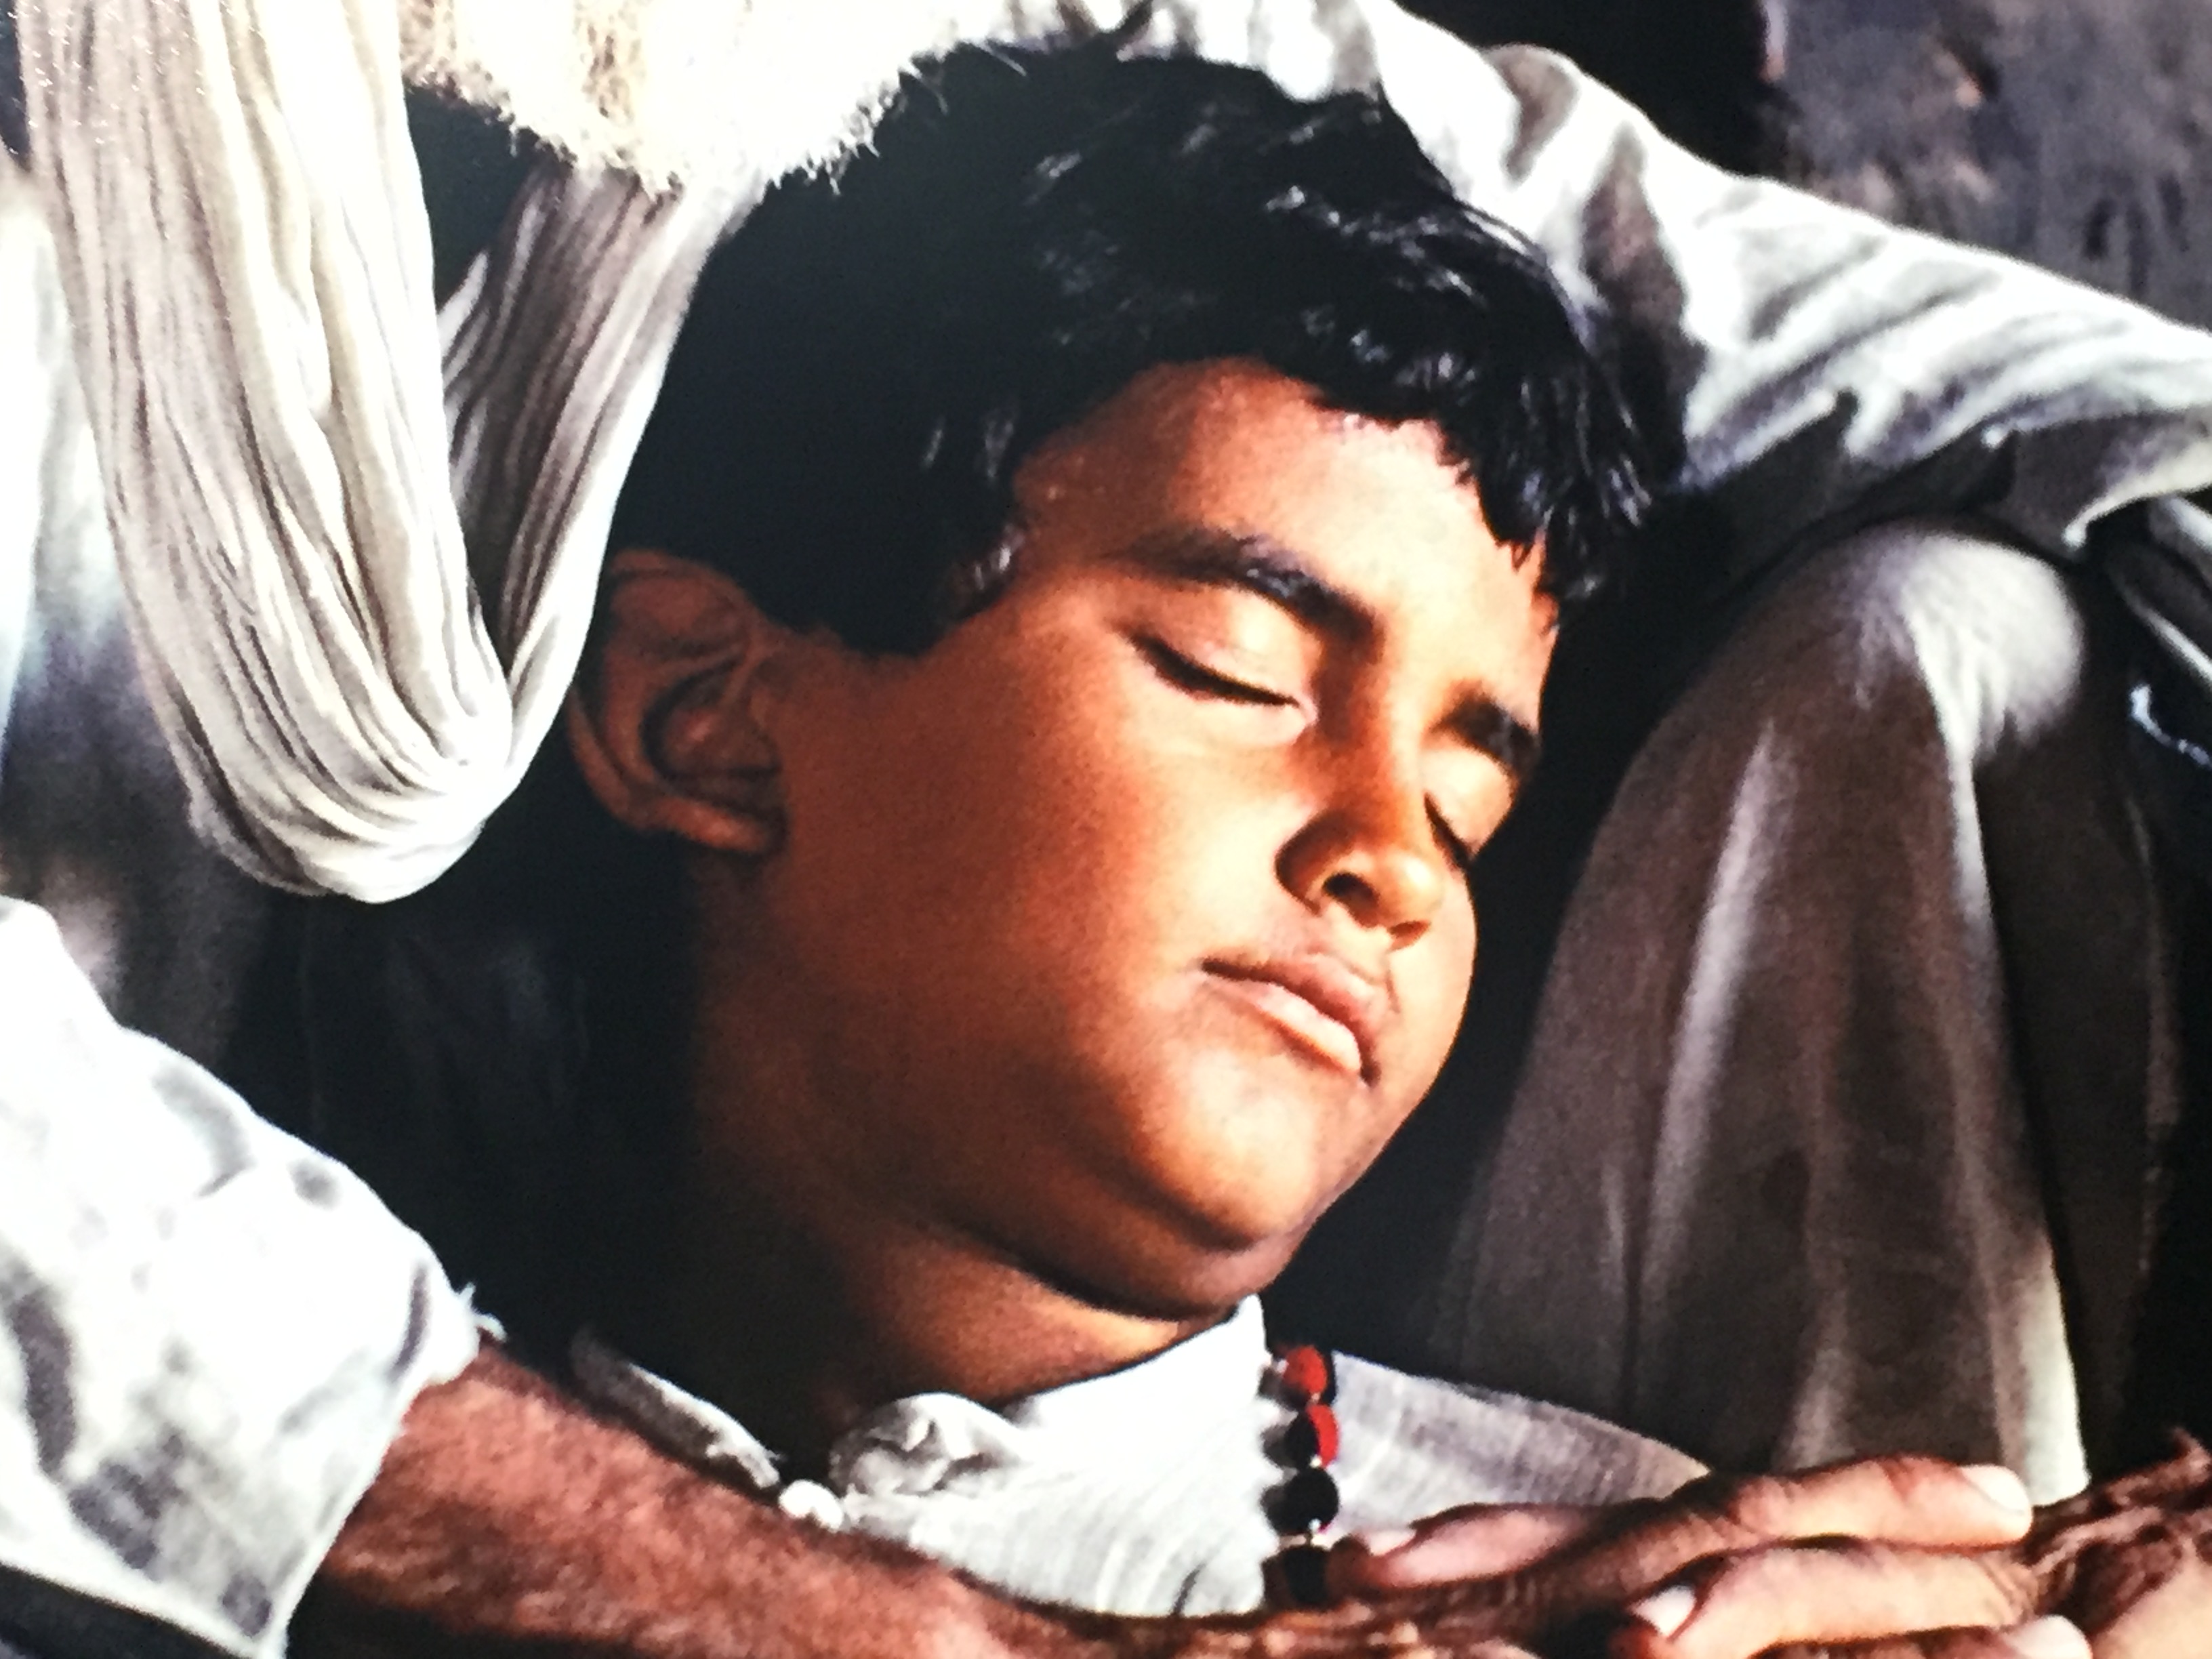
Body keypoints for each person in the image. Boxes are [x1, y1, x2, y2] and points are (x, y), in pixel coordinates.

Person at [10, 3, 2212, 1657]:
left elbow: (2117, 412)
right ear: (706, 719)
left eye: (1472, 805)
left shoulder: (1618, 1564)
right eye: (1238, 672)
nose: (1392, 857)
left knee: (1955, 642)